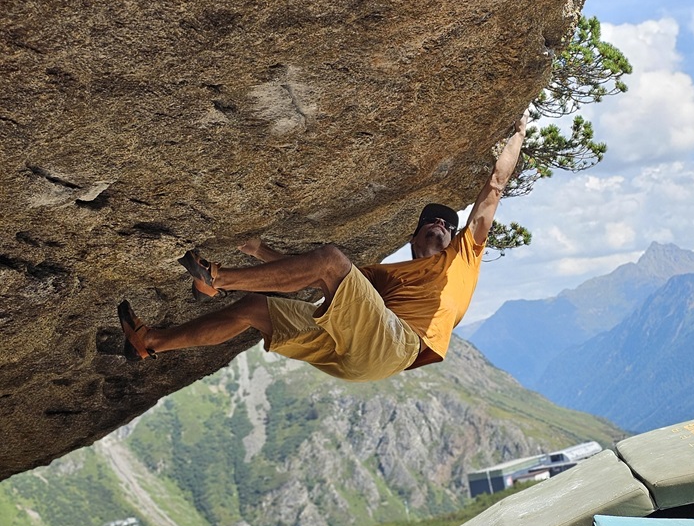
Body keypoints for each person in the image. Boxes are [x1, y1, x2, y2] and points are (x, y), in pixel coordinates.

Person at [118, 112, 528, 381]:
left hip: (395, 346)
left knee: (333, 259)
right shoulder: (385, 279)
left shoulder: (464, 257)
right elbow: (315, 280)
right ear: (413, 237)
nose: (440, 224)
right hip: (354, 349)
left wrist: (519, 133)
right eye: (430, 221)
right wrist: (261, 250)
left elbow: (494, 186)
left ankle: (217, 278)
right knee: (253, 310)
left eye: (447, 224)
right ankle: (151, 342)